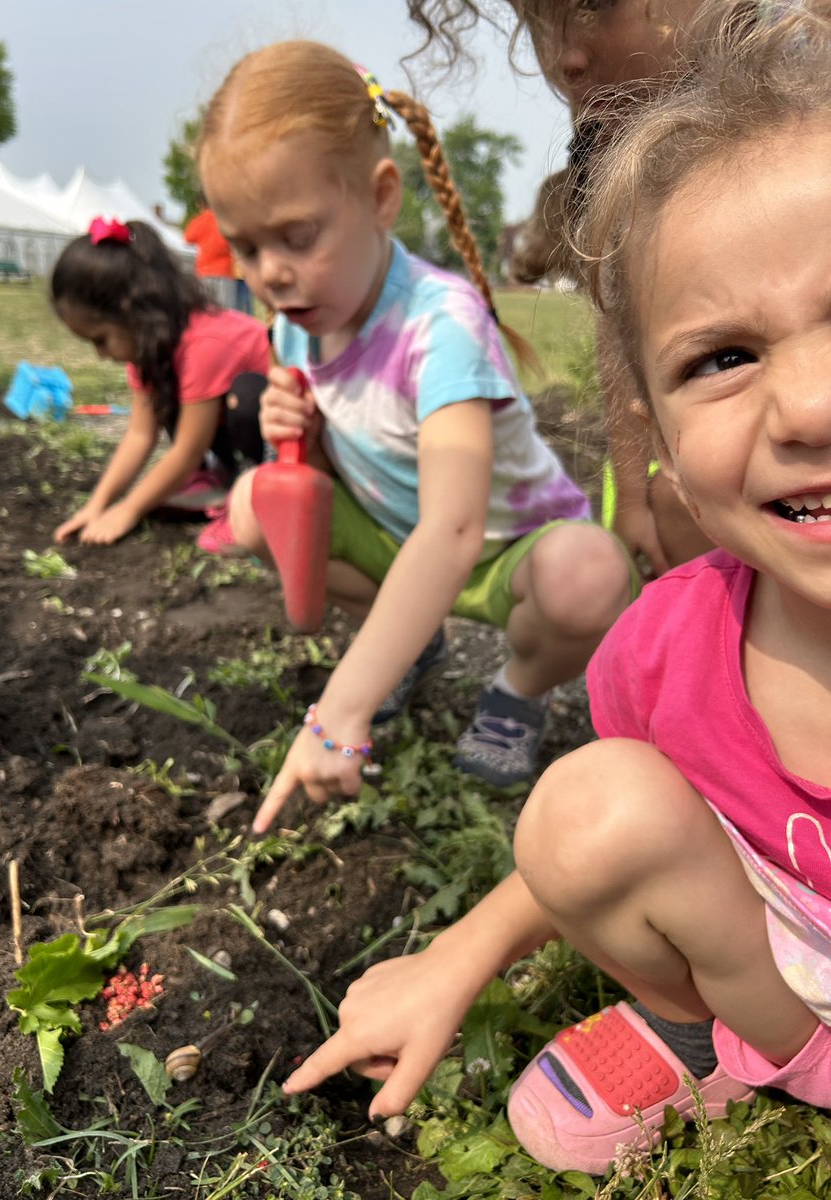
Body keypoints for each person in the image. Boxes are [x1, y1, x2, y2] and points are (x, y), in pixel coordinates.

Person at [279, 0, 831, 1174]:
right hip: (797, 963)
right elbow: (619, 845)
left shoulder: (435, 326)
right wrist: (456, 959)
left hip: (494, 556)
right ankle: (744, 1050)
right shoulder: (669, 652)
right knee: (588, 810)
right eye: (722, 359)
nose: (811, 406)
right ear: (655, 432)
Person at [196, 41, 634, 806]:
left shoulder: (442, 328)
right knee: (253, 504)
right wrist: (302, 438)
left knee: (590, 575)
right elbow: (318, 492)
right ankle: (411, 641)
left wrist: (340, 709)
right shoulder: (295, 323)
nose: (270, 272)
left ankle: (517, 691)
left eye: (297, 237)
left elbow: (457, 530)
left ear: (381, 196)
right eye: (246, 246)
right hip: (403, 544)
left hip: (505, 554)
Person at [408, 0, 714, 577]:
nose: (562, 56)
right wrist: (629, 496)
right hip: (665, 464)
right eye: (537, 24)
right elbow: (618, 319)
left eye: (596, 5)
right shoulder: (613, 149)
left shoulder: (805, 106)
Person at [51, 217, 270, 553]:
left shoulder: (204, 343)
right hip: (231, 432)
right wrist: (98, 504)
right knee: (166, 393)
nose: (100, 355)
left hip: (281, 435)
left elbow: (187, 449)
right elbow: (140, 435)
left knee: (247, 396)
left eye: (101, 340)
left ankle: (254, 502)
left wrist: (129, 509)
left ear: (135, 313)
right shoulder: (147, 347)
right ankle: (218, 480)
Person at [184, 204, 236, 309]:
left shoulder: (199, 221)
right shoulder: (225, 220)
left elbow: (187, 238)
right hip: (223, 271)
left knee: (205, 310)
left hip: (203, 272)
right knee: (225, 312)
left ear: (200, 205)